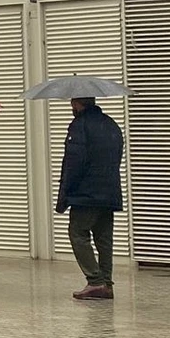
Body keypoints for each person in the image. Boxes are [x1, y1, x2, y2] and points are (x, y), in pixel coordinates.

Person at [57, 97, 125, 301]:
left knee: (78, 233)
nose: (71, 107)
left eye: (72, 104)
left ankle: (95, 281)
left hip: (86, 194)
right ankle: (107, 282)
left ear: (78, 104)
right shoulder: (111, 124)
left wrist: (65, 195)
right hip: (109, 191)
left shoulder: (79, 125)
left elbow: (73, 163)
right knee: (104, 239)